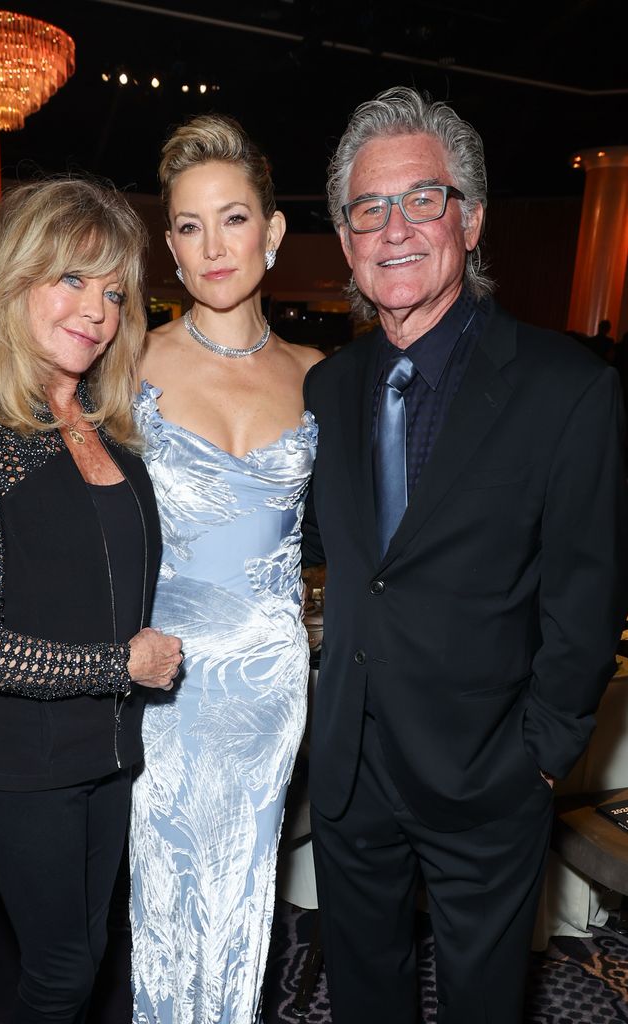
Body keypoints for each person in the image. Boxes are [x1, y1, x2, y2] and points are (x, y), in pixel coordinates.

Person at [302, 86, 627, 1024]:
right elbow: (336, 551)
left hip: (487, 773)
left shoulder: (566, 389)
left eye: (421, 199)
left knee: (483, 1001)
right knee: (364, 991)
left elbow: (585, 593)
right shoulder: (327, 388)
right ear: (346, 236)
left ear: (472, 219)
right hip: (350, 760)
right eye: (367, 207)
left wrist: (539, 756)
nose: (392, 228)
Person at [0, 178, 183, 1024]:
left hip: (108, 751)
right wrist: (121, 664)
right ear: (11, 280)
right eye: (71, 280)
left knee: (92, 952)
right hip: (20, 764)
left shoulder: (104, 421)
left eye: (112, 292)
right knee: (62, 973)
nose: (96, 311)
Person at [129, 114, 323, 1023]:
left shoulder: (321, 377)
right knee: (165, 902)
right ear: (169, 245)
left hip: (270, 687)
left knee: (244, 901)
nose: (213, 246)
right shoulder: (128, 365)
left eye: (233, 219)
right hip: (165, 680)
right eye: (190, 226)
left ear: (273, 232)